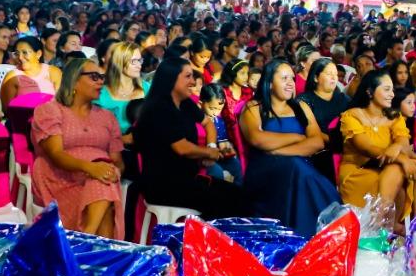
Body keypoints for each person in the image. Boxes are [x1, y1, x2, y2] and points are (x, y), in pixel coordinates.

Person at [132, 56, 248, 219]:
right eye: (188, 76)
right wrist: (208, 153)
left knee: (238, 196)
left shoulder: (184, 102)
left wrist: (212, 147)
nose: (194, 82)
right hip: (163, 185)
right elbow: (182, 148)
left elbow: (208, 123)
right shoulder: (159, 109)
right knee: (227, 201)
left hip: (186, 179)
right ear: (171, 79)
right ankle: (202, 241)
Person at [238, 61, 340, 235]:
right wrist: (297, 138)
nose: (291, 83)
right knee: (298, 169)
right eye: (284, 78)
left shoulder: (301, 107)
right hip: (265, 171)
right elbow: (258, 139)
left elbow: (316, 142)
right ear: (269, 82)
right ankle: (318, 230)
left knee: (298, 168)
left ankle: (329, 229)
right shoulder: (254, 107)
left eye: (292, 78)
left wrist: (278, 150)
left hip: (299, 167)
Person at [29, 58, 125, 238]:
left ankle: (87, 239)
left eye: (102, 77)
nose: (101, 81)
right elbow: (56, 154)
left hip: (98, 177)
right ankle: (99, 253)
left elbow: (118, 161)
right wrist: (90, 167)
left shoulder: (107, 116)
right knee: (104, 191)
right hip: (59, 175)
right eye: (94, 77)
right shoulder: (50, 110)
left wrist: (112, 172)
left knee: (103, 183)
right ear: (74, 79)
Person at [337, 71, 416, 217]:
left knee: (396, 170)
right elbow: (367, 148)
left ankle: (380, 223)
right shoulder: (352, 116)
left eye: (392, 90)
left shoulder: (394, 116)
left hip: (385, 167)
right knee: (398, 171)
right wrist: (404, 159)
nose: (392, 94)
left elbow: (403, 141)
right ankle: (386, 226)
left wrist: (397, 148)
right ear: (370, 92)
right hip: (359, 170)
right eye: (387, 89)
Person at [96, 42, 146, 137]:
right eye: (133, 61)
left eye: (140, 60)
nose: (139, 65)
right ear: (119, 62)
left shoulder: (148, 88)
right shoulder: (100, 93)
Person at [0, 36, 61, 107]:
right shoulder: (12, 76)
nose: (20, 57)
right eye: (17, 53)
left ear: (38, 54)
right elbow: (7, 109)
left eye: (24, 52)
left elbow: (61, 102)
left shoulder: (53, 72)